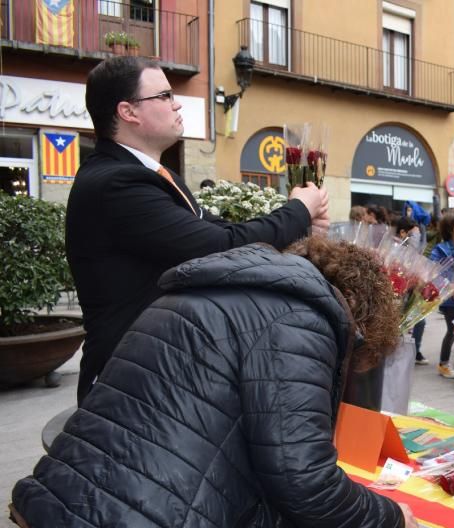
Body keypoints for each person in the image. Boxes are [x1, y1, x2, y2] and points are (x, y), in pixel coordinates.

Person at [10, 238, 420, 528]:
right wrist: (389, 521)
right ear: (360, 311)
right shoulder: (301, 317)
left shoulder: (214, 292)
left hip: (71, 525)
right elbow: (303, 479)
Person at [67, 56, 329, 404]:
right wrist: (298, 209)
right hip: (128, 382)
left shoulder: (156, 175)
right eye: (164, 96)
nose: (176, 104)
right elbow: (220, 247)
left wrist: (301, 222)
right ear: (128, 112)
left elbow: (222, 231)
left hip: (158, 367)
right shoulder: (116, 184)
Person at [429, 211, 454, 380]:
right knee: (453, 331)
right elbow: (432, 272)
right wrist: (447, 287)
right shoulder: (440, 249)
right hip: (451, 300)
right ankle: (444, 364)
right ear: (450, 229)